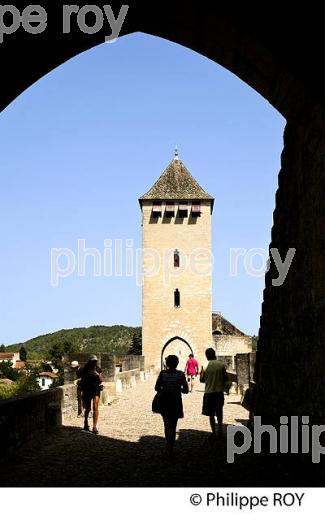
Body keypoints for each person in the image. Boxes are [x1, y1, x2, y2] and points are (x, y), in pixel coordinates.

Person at [154, 355, 189, 457]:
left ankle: (167, 446)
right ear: (177, 363)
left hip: (164, 401)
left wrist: (165, 389)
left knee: (166, 424)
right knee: (173, 426)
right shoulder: (181, 374)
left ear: (167, 363)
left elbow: (156, 387)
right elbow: (186, 390)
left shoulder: (163, 373)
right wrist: (178, 389)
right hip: (175, 401)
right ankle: (170, 449)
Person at [200, 347, 229, 439]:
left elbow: (201, 379)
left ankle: (213, 432)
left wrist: (209, 378)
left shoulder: (204, 365)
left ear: (206, 356)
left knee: (211, 414)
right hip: (219, 392)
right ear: (214, 354)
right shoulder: (221, 365)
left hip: (209, 392)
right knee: (219, 412)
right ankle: (220, 429)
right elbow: (225, 378)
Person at [80, 355, 103, 434]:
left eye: (95, 361)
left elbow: (101, 380)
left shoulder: (98, 369)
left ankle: (94, 427)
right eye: (93, 361)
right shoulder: (85, 369)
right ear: (90, 361)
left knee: (95, 407)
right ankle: (86, 422)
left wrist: (97, 374)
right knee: (88, 408)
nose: (94, 363)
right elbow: (81, 378)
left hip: (96, 389)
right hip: (87, 389)